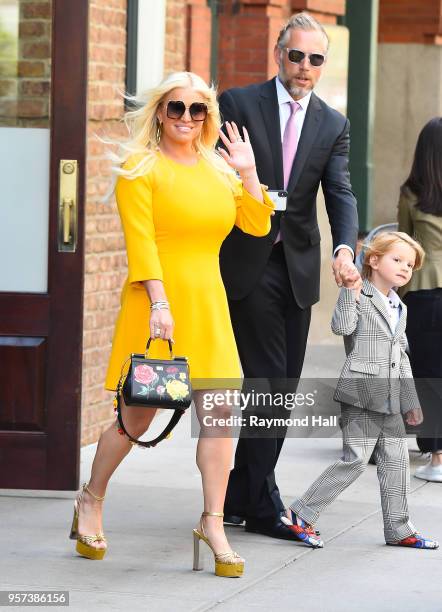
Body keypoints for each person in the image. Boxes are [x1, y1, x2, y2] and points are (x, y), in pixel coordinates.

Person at [68, 71, 275, 577]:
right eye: (176, 108)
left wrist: (248, 173)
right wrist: (160, 303)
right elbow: (142, 246)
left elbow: (257, 224)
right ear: (160, 112)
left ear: (208, 116)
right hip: (155, 306)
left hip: (208, 306)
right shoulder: (141, 169)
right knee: (138, 418)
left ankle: (213, 522)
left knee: (222, 414)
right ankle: (91, 498)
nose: (186, 118)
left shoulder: (219, 170)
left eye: (197, 110)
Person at [218, 11, 360, 540]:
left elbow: (339, 193)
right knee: (266, 382)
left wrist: (346, 246)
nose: (304, 67)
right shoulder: (239, 103)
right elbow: (216, 174)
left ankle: (240, 493)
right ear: (280, 54)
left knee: (284, 385)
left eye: (315, 59)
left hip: (298, 268)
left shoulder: (333, 123)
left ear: (324, 65)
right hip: (248, 261)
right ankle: (266, 502)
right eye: (296, 55)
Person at [282, 232, 439, 550]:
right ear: (373, 260)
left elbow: (402, 357)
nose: (405, 268)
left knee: (396, 463)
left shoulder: (400, 307)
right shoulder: (360, 295)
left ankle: (399, 528)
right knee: (355, 459)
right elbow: (341, 327)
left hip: (391, 399)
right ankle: (300, 514)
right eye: (397, 260)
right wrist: (349, 293)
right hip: (362, 393)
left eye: (410, 264)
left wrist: (411, 400)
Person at [398, 117, 442, 482]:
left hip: (423, 293)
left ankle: (437, 457)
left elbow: (404, 248)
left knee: (426, 374)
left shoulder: (412, 193)